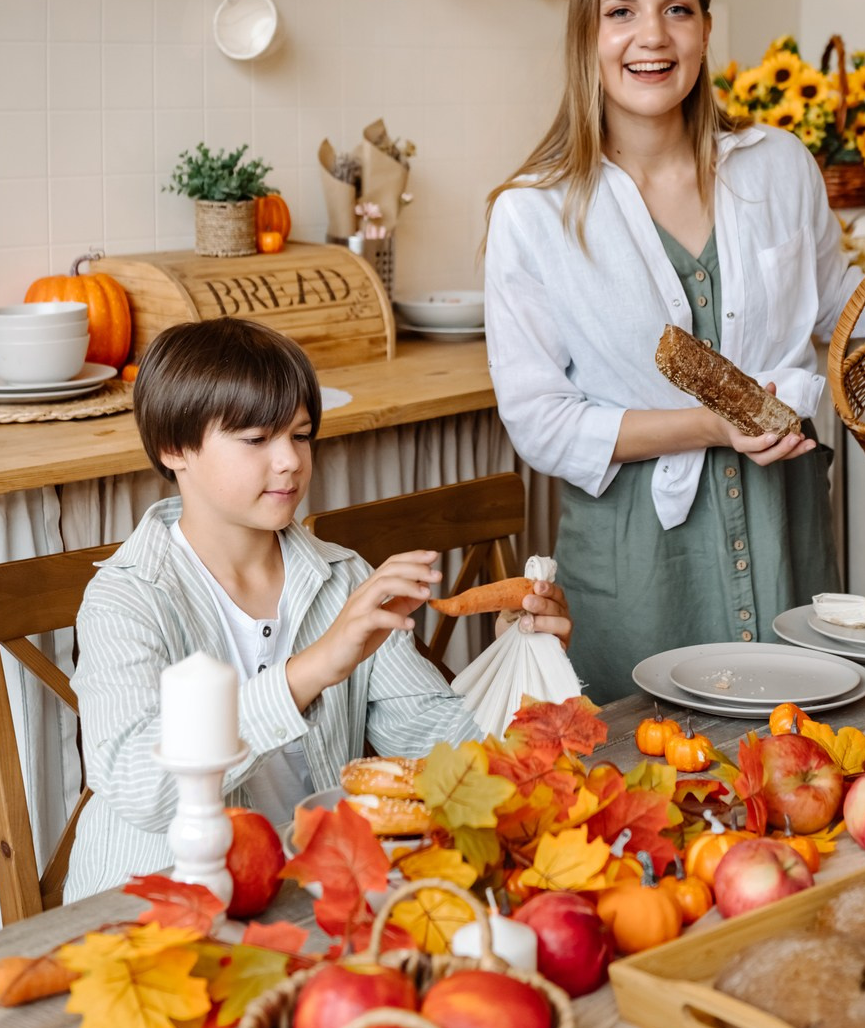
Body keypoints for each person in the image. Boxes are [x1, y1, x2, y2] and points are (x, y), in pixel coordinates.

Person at [483, 0, 865, 705]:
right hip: (642, 561)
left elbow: (833, 300)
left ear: (705, 29)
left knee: (806, 746)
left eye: (677, 9)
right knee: (650, 763)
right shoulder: (534, 213)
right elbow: (540, 422)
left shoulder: (777, 165)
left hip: (783, 527)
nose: (652, 36)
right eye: (621, 12)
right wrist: (709, 425)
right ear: (586, 36)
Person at [66, 317, 571, 899]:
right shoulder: (127, 599)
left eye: (301, 435)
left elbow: (450, 760)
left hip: (314, 894)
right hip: (155, 910)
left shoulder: (343, 578)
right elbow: (141, 791)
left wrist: (530, 665)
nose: (289, 460)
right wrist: (310, 671)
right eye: (256, 439)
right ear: (173, 448)